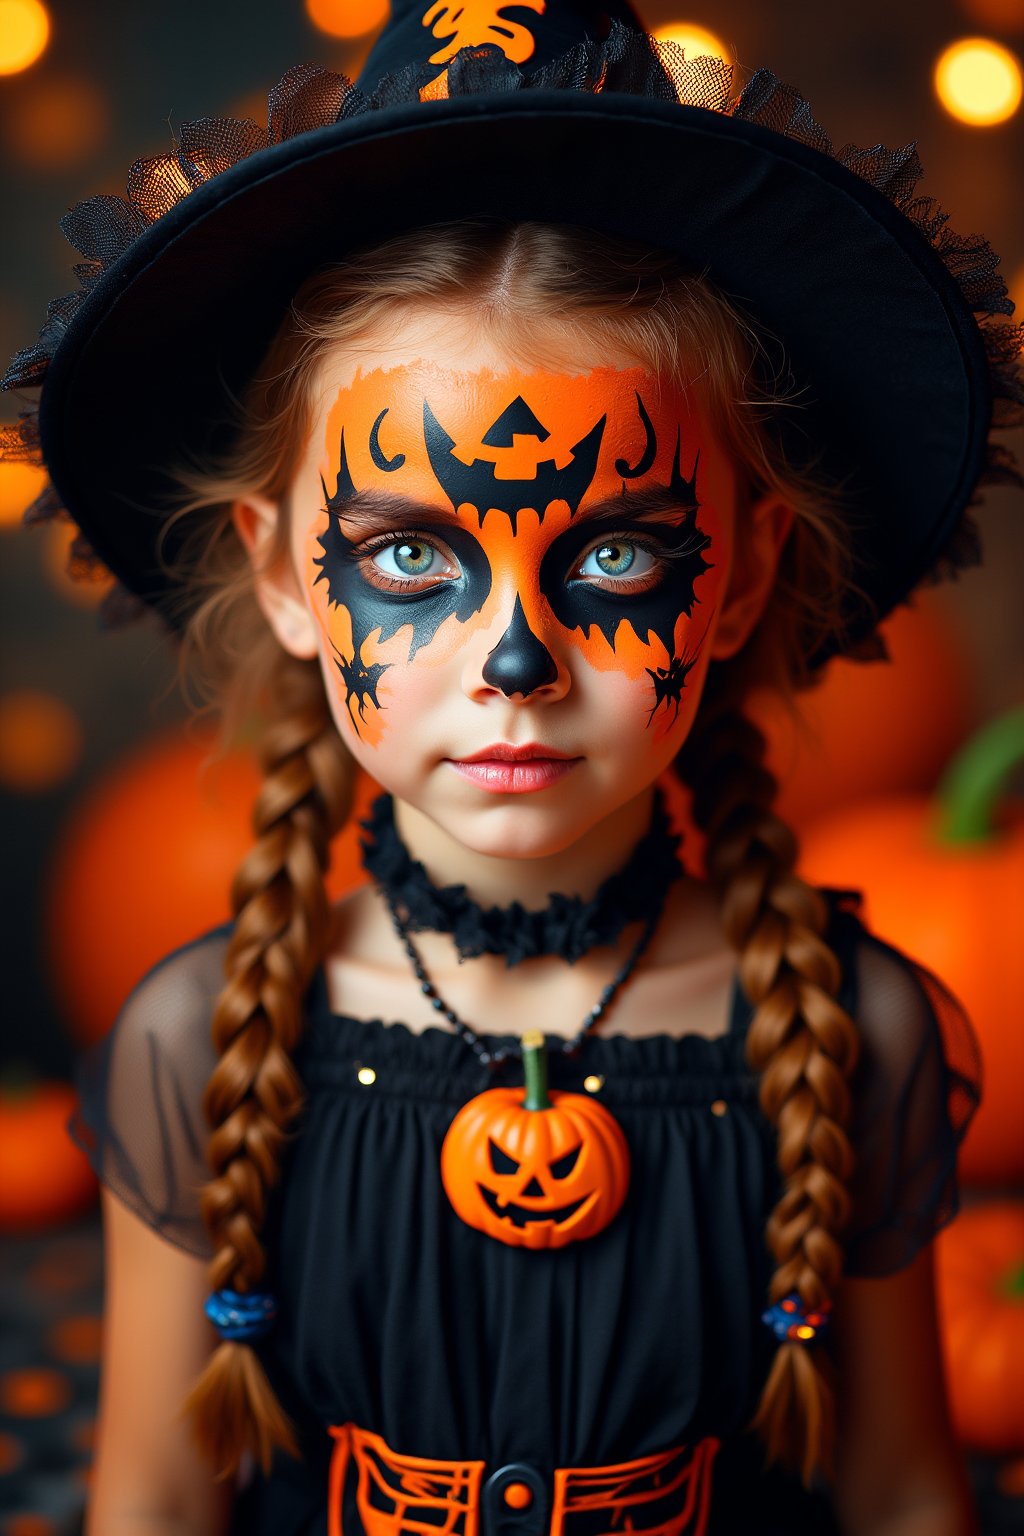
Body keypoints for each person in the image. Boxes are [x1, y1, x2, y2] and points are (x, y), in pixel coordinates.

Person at [2, 3, 1018, 1532]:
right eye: (410, 554)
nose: (518, 660)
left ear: (737, 581)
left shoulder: (852, 1030)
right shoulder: (199, 1041)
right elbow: (150, 1499)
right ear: (284, 578)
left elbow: (902, 1496)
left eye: (613, 554)